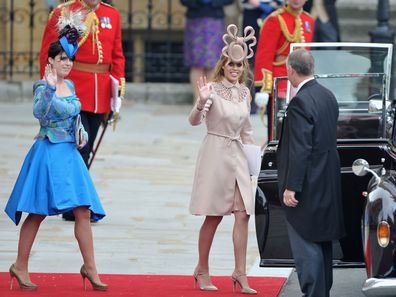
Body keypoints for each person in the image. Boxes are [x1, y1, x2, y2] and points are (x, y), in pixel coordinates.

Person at [5, 10, 107, 291]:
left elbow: (75, 115)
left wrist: (81, 132)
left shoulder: (71, 84)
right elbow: (39, 113)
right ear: (51, 60)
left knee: (83, 210)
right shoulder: (43, 86)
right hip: (48, 153)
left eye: (70, 59)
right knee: (37, 212)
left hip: (70, 154)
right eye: (62, 59)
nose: (67, 64)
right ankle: (20, 266)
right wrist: (49, 90)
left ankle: (90, 268)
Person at [39, 0, 125, 221]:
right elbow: (48, 52)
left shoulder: (111, 14)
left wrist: (118, 89)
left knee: (88, 147)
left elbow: (117, 55)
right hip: (73, 88)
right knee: (80, 147)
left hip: (101, 91)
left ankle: (75, 201)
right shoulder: (65, 11)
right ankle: (77, 204)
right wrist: (49, 86)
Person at [189, 24, 258, 294]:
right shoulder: (212, 89)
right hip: (215, 153)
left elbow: (247, 131)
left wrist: (254, 163)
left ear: (243, 67)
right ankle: (202, 269)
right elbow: (194, 121)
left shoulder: (244, 92)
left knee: (243, 215)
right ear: (223, 64)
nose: (235, 69)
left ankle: (240, 272)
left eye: (239, 65)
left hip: (238, 155)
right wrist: (200, 101)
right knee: (214, 216)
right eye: (231, 63)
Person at [277, 48, 345, 297]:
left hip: (307, 183)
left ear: (291, 71)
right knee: (322, 241)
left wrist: (292, 186)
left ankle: (314, 293)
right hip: (327, 179)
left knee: (305, 242)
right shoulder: (328, 95)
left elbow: (300, 148)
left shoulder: (300, 102)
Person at [254, 0, 314, 141]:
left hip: (303, 83)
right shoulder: (275, 19)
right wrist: (264, 88)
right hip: (281, 81)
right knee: (279, 130)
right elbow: (264, 56)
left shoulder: (308, 20)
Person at [180, 0, 233, 100]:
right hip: (195, 18)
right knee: (196, 63)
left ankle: (209, 99)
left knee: (213, 63)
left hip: (215, 18)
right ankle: (198, 100)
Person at [239, 0, 284, 114]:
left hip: (273, 11)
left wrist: (277, 3)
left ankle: (269, 95)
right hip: (252, 11)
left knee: (270, 54)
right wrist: (258, 4)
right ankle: (249, 98)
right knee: (250, 58)